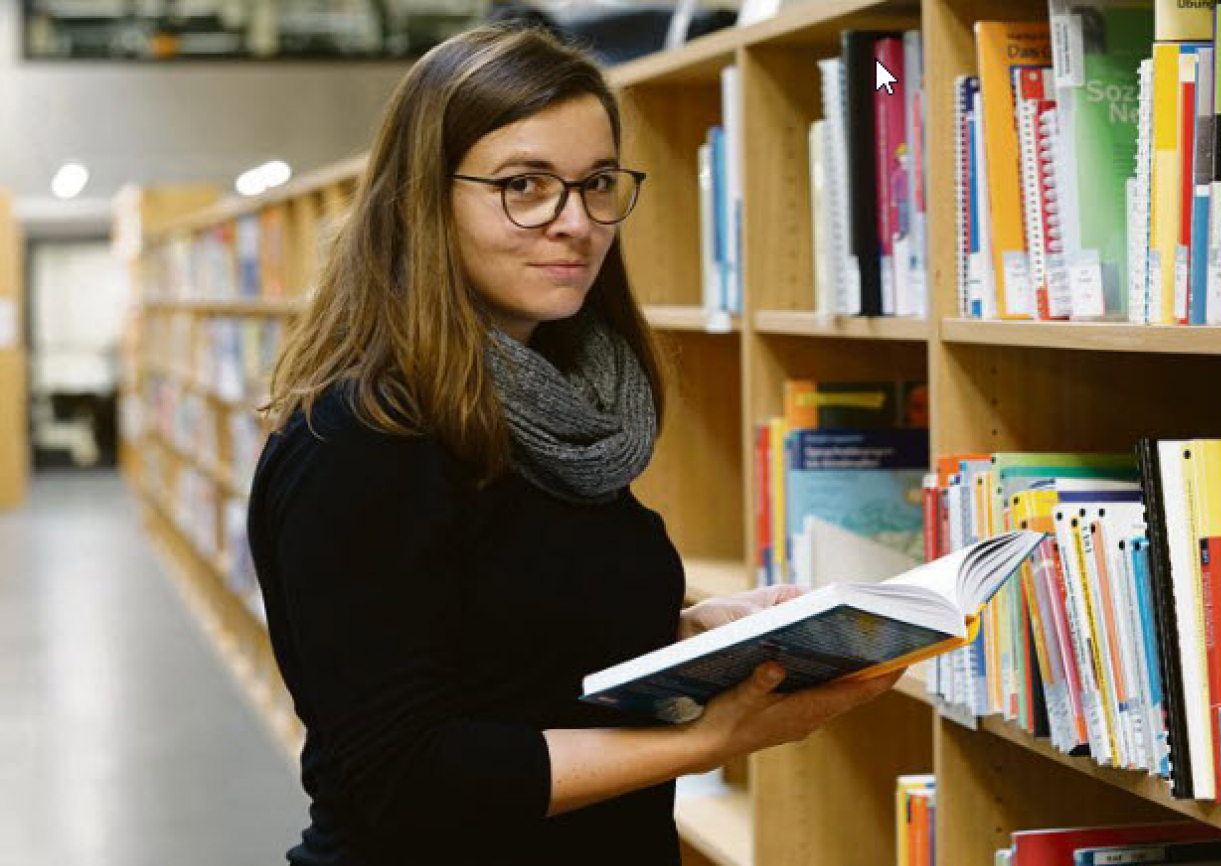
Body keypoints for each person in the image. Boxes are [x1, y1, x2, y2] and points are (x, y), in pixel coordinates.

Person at [248, 21, 903, 866]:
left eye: (597, 183)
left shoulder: (562, 406)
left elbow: (516, 646)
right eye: (525, 185)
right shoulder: (360, 439)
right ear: (422, 199)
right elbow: (407, 777)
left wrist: (705, 634)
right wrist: (711, 740)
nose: (576, 222)